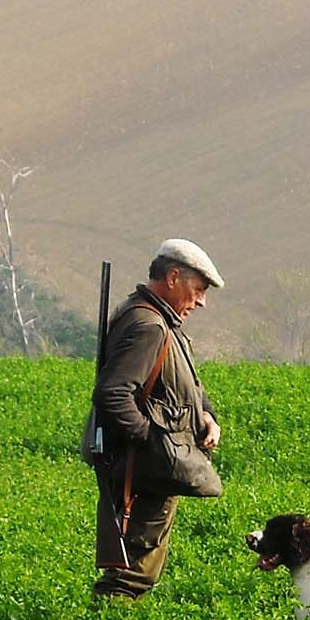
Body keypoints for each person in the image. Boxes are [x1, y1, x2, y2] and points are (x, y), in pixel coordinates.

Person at [91, 239, 225, 601]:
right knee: (129, 575)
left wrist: (207, 416)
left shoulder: (161, 321)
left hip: (154, 468)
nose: (201, 301)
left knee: (138, 568)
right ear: (173, 277)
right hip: (144, 471)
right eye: (198, 290)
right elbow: (113, 394)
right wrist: (150, 439)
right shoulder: (148, 326)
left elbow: (184, 385)